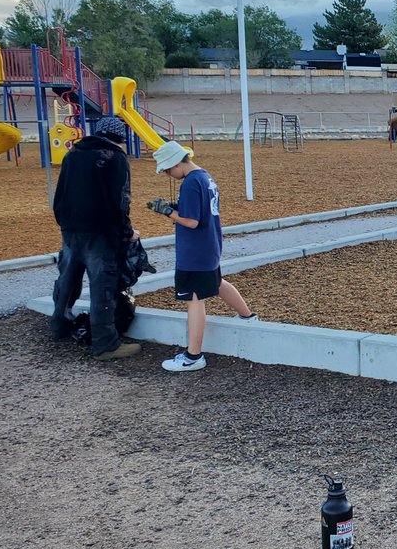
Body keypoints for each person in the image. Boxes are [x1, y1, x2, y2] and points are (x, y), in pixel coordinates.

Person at [149, 141, 256, 372]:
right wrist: (175, 207)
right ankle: (248, 317)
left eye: (168, 169)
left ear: (177, 162)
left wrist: (168, 211)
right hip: (209, 244)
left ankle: (193, 355)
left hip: (194, 250)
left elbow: (191, 220)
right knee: (215, 282)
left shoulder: (190, 183)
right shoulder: (205, 177)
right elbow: (200, 210)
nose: (168, 174)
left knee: (194, 298)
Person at [50, 116, 142, 360]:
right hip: (100, 233)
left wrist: (65, 222)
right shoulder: (114, 158)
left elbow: (59, 195)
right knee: (103, 286)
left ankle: (59, 324)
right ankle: (105, 344)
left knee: (68, 278)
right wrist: (127, 232)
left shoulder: (72, 154)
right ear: (119, 138)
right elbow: (120, 200)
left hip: (70, 229)